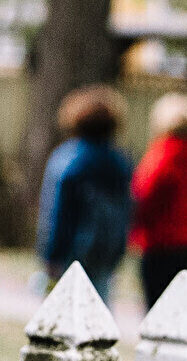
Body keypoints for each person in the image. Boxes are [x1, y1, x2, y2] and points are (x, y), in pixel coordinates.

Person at [38, 85, 134, 298]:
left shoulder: (67, 159)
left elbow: (56, 212)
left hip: (70, 253)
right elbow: (126, 211)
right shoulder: (120, 163)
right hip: (105, 256)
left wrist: (51, 256)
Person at [130, 91, 187, 306]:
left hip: (157, 242)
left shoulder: (159, 157)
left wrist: (134, 228)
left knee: (155, 304)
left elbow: (143, 197)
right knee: (176, 304)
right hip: (186, 241)